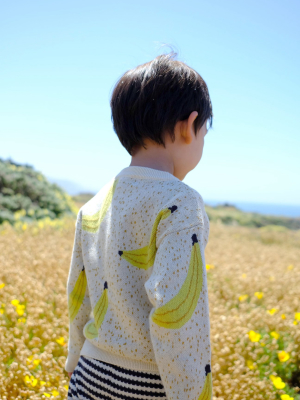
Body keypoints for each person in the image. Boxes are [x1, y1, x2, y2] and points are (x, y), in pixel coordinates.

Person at [65, 50, 213, 400]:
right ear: (188, 127)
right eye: (205, 133)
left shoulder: (93, 205)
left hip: (88, 372)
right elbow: (178, 315)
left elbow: (78, 294)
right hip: (147, 385)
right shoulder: (179, 202)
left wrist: (73, 360)